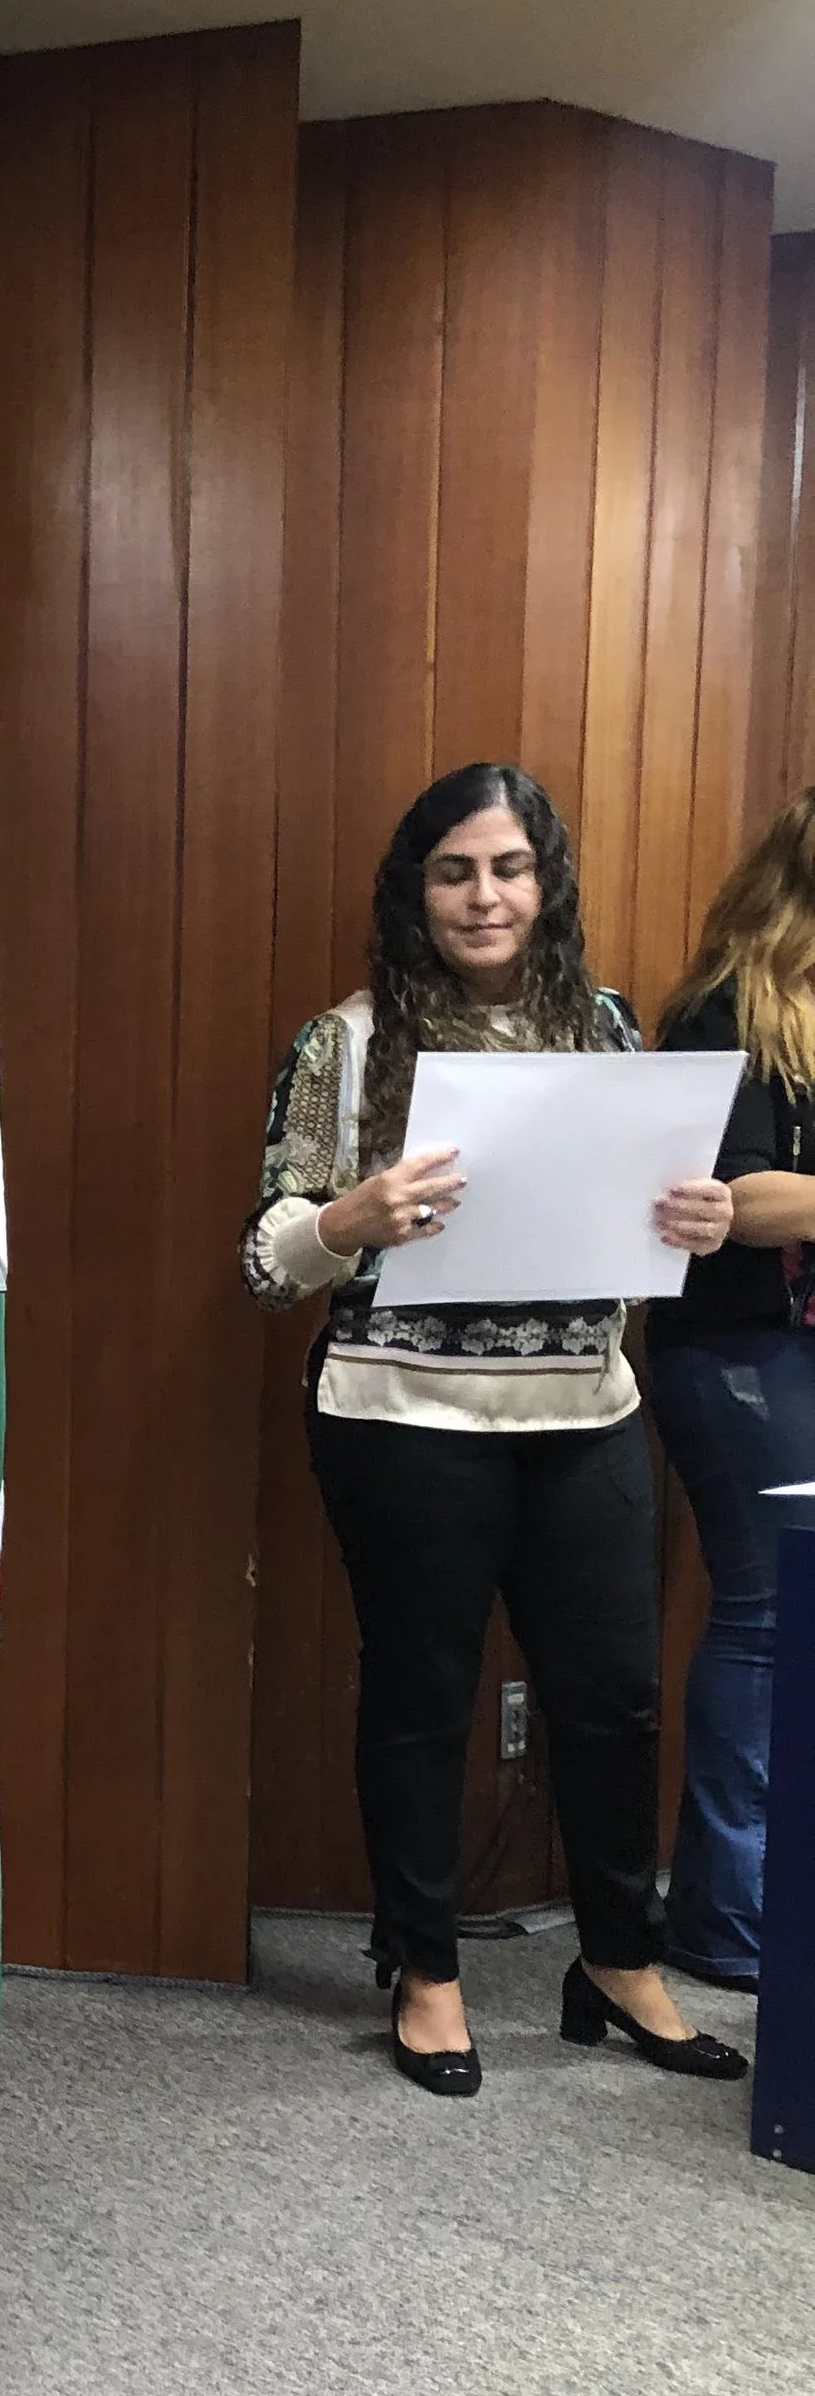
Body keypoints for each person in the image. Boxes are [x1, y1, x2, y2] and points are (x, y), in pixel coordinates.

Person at [239, 761, 744, 2097]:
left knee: (616, 1695)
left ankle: (619, 1960)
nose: (484, 895)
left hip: (586, 1411)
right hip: (403, 1416)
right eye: (455, 870)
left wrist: (690, 1225)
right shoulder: (344, 1043)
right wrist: (350, 1220)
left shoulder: (612, 1032)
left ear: (546, 883)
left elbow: (645, 1222)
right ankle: (425, 1968)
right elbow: (264, 1257)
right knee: (421, 1696)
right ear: (417, 891)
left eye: (509, 868)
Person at [649, 787, 815, 1988]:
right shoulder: (726, 1011)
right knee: (763, 1615)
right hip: (739, 1350)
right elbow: (726, 1204)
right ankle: (725, 1921)